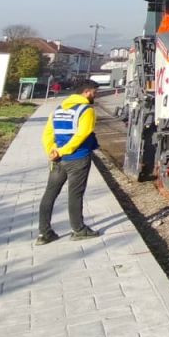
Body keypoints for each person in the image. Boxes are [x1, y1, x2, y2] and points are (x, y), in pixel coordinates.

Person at [37, 79, 101, 244]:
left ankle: (44, 233)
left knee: (50, 194)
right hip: (78, 158)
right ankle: (78, 230)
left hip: (58, 160)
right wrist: (62, 151)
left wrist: (52, 151)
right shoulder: (87, 110)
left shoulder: (58, 109)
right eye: (94, 92)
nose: (95, 95)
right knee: (75, 195)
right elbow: (82, 135)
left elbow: (47, 134)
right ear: (86, 92)